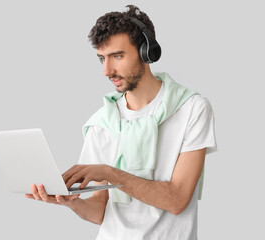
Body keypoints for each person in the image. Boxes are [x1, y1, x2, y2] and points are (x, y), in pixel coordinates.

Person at [26, 5, 217, 240]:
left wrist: (111, 173)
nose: (107, 71)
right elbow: (99, 211)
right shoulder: (101, 122)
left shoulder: (192, 109)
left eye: (117, 56)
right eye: (101, 59)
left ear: (147, 52)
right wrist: (71, 203)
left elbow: (177, 200)